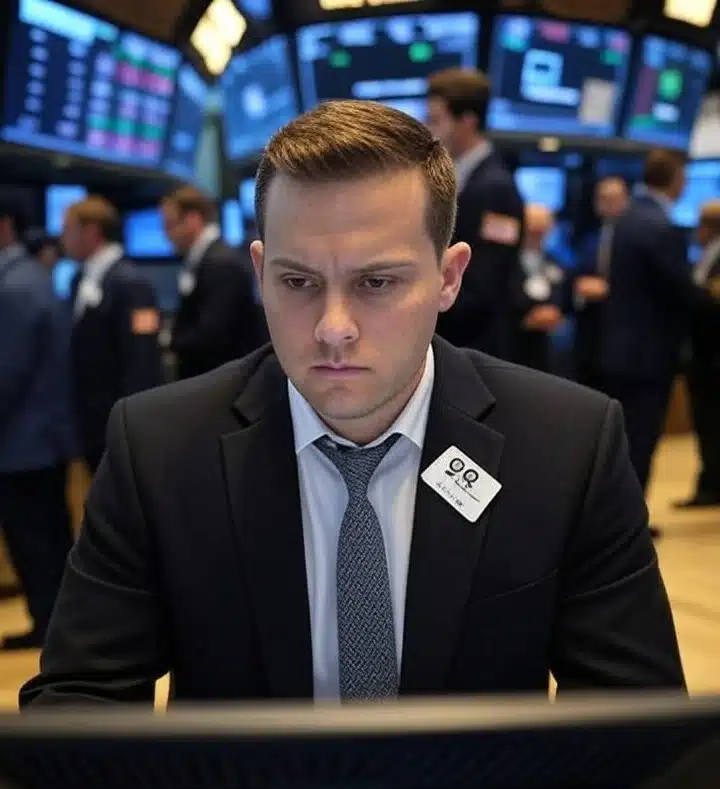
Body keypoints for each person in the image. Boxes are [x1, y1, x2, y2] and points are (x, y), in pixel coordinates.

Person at [20, 100, 684, 708]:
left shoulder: (567, 445)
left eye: (377, 281)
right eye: (298, 281)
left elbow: (636, 726)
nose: (333, 327)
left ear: (448, 278)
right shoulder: (158, 448)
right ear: (260, 272)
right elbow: (80, 706)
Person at [599, 150, 719, 511]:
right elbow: (679, 290)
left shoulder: (628, 218)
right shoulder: (660, 226)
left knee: (624, 437)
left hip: (620, 347)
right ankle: (631, 520)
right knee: (641, 437)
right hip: (649, 353)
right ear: (676, 179)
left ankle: (618, 516)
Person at [0, 200, 75, 651]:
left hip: (22, 442)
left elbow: (7, 373)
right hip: (40, 437)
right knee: (47, 539)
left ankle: (51, 629)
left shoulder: (13, 287)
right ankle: (52, 626)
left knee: (36, 544)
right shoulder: (30, 278)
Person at [426, 68, 524, 358]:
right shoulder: (462, 179)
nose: (428, 129)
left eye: (435, 120)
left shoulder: (495, 188)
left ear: (467, 122)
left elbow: (485, 286)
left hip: (476, 346)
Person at [63, 196, 164, 474]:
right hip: (89, 421)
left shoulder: (131, 283)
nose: (63, 238)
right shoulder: (78, 279)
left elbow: (143, 361)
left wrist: (132, 427)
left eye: (68, 229)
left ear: (92, 232)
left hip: (119, 422)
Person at [161, 186, 263, 380]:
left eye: (169, 224)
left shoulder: (221, 263)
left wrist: (169, 341)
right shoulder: (207, 258)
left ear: (192, 220)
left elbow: (212, 336)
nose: (167, 234)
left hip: (223, 381)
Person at [676, 200, 720, 509]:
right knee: (706, 422)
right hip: (702, 357)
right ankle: (710, 483)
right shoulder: (707, 255)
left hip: (715, 356)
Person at [572, 178, 629, 388]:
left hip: (622, 332)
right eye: (602, 199)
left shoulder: (637, 240)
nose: (607, 204)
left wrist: (609, 290)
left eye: (613, 199)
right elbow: (575, 276)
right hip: (589, 330)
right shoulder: (588, 239)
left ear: (625, 200)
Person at [510, 203, 566, 372]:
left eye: (542, 229)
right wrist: (525, 320)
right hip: (514, 347)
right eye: (533, 228)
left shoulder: (555, 262)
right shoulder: (507, 263)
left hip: (548, 351)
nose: (537, 233)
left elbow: (564, 297)